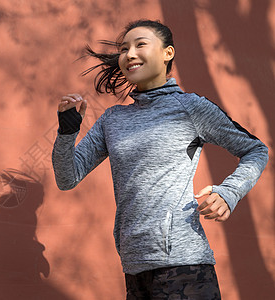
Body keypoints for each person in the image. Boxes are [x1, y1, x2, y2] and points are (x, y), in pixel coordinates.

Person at [52, 19, 269, 299]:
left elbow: (256, 150)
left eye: (140, 44)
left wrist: (229, 193)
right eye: (123, 49)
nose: (129, 54)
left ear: (168, 53)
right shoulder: (113, 119)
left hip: (185, 266)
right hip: (134, 268)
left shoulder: (190, 107)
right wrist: (67, 132)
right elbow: (67, 178)